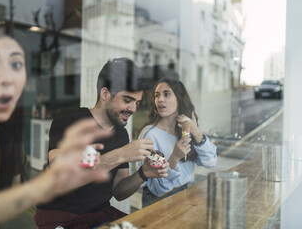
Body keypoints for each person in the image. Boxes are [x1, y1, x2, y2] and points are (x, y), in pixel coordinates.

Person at [0, 28, 112, 229]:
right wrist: (39, 187)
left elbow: (13, 197)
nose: (7, 78)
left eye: (16, 64)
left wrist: (57, 177)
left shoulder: (7, 129)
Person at [35, 58, 169, 229]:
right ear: (105, 94)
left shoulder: (121, 134)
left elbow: (119, 192)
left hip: (99, 215)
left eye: (136, 102)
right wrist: (121, 155)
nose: (133, 109)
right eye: (127, 100)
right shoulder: (68, 119)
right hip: (61, 216)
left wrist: (143, 174)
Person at [138, 78, 217, 207]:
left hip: (186, 194)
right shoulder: (150, 135)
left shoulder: (185, 129)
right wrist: (174, 157)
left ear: (179, 99)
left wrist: (196, 132)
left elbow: (210, 162)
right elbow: (159, 189)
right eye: (157, 96)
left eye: (167, 94)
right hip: (159, 202)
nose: (160, 99)